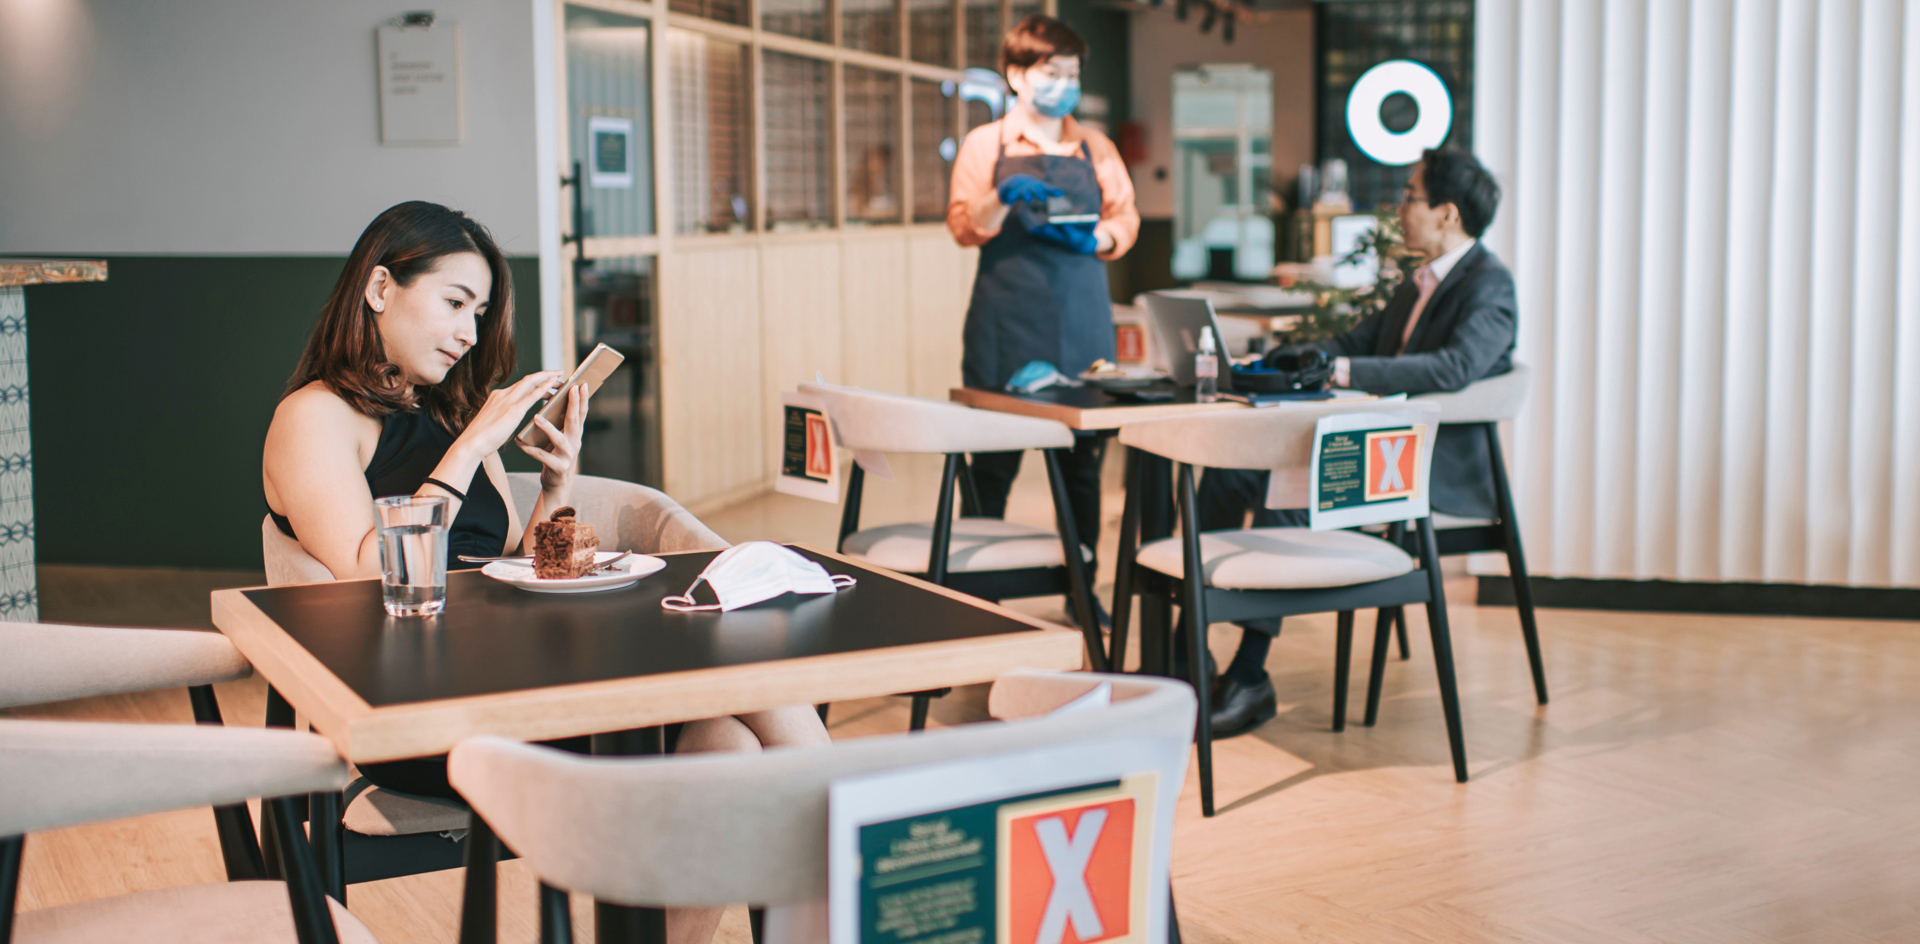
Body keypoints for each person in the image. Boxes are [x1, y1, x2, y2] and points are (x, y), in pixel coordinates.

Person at [262, 201, 828, 944]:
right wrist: (468, 448)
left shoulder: (439, 411)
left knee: (732, 735)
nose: (470, 333)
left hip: (510, 674)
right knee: (746, 708)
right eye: (455, 303)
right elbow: (375, 575)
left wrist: (556, 490)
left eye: (481, 311)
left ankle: (849, 882)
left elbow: (503, 568)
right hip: (418, 711)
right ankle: (873, 866)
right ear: (378, 289)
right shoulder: (315, 417)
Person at [1200, 148, 1516, 736]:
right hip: (1377, 452)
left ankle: (1248, 677)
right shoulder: (1415, 282)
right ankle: (1188, 649)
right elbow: (1354, 341)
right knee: (1229, 468)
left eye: (1410, 196)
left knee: (1285, 489)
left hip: (1423, 469)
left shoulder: (1490, 285)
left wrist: (1343, 374)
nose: (1399, 208)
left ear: (1447, 214)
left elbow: (1452, 368)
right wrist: (1295, 360)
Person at [947, 14, 1139, 567]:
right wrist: (1002, 194)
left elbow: (1125, 217)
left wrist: (1096, 237)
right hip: (1004, 324)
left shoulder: (1096, 147)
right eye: (1051, 71)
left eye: (1072, 72)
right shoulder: (986, 145)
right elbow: (963, 226)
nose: (1064, 83)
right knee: (991, 464)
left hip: (1084, 323)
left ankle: (1081, 589)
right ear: (1015, 75)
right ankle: (980, 588)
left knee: (1083, 467)